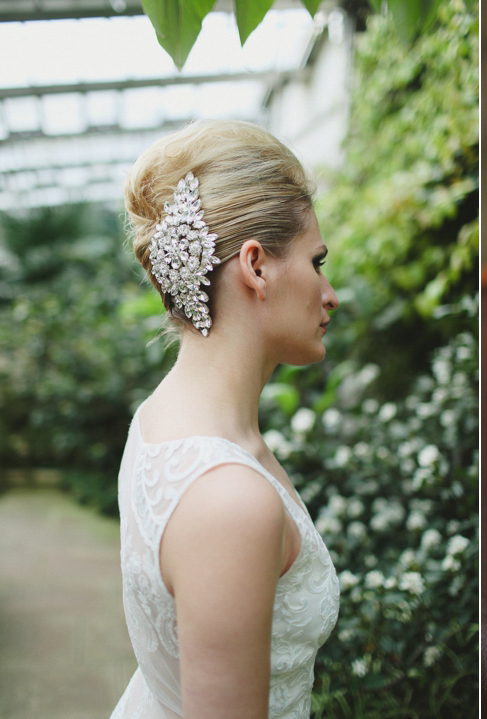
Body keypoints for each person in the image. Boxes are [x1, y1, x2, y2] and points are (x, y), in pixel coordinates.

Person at [111, 119, 340, 719]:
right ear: (256, 267)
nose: (330, 292)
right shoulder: (229, 501)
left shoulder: (159, 417)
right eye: (317, 262)